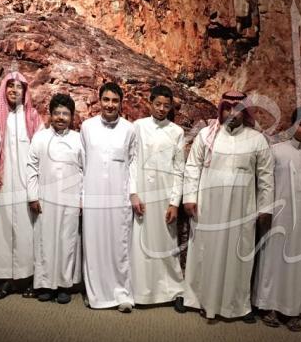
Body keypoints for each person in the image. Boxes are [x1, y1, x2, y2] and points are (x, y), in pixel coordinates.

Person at [181, 91, 274, 320]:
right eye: (228, 108)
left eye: (238, 109)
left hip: (241, 209)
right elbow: (192, 166)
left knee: (238, 254)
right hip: (208, 205)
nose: (232, 113)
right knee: (205, 250)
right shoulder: (206, 135)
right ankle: (200, 299)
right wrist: (189, 197)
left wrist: (266, 208)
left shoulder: (256, 139)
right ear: (221, 110)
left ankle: (236, 305)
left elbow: (266, 176)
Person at [253, 106, 301, 331]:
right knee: (273, 260)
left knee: (299, 264)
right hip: (278, 216)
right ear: (293, 126)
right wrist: (265, 210)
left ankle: (292, 310)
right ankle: (269, 307)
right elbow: (265, 183)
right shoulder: (277, 151)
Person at [129, 85, 188, 308]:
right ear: (150, 103)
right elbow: (132, 162)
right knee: (141, 242)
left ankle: (173, 290)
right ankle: (141, 292)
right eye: (158, 104)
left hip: (165, 195)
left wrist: (175, 202)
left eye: (166, 105)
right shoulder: (138, 126)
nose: (162, 109)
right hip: (142, 193)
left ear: (171, 107)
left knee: (166, 243)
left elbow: (179, 169)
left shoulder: (176, 132)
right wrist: (133, 193)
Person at [81, 82, 137, 312]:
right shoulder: (87, 127)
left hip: (119, 196)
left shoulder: (129, 129)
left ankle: (122, 293)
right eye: (106, 99)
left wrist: (133, 193)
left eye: (115, 100)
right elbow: (82, 163)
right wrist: (81, 196)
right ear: (99, 101)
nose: (110, 105)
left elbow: (133, 164)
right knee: (94, 243)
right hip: (93, 194)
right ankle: (96, 294)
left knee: (119, 244)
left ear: (121, 103)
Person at [0, 71, 41, 299]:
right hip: (5, 181)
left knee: (29, 229)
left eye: (19, 87)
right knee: (5, 229)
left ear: (25, 91)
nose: (14, 90)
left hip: (27, 180)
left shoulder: (32, 115)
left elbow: (39, 148)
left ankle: (31, 278)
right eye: (10, 86)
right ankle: (8, 280)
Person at [26, 93, 84, 303]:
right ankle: (44, 284)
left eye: (65, 114)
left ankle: (63, 285)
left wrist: (82, 199)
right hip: (45, 199)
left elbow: (85, 171)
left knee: (67, 242)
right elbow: (31, 168)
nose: (61, 117)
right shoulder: (40, 138)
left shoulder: (78, 140)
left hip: (71, 199)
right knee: (45, 241)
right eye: (57, 113)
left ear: (72, 116)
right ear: (50, 115)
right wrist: (32, 196)